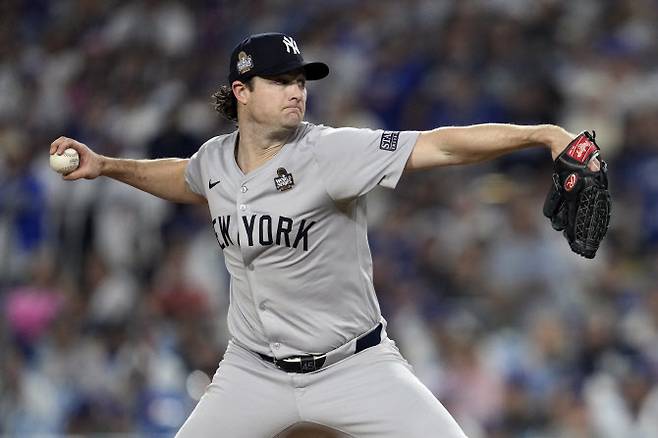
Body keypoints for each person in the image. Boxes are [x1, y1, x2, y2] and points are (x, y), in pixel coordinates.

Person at [50, 32, 599, 438]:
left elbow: (442, 145)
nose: (297, 91)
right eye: (281, 81)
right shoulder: (216, 159)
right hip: (250, 371)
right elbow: (188, 180)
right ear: (241, 91)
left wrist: (541, 133)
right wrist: (108, 166)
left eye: (301, 80)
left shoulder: (331, 152)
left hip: (353, 365)